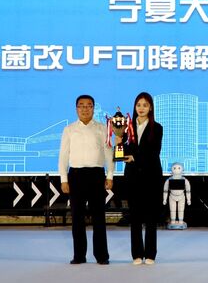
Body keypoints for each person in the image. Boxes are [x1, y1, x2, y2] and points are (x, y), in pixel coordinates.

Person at [58, 95, 114, 265]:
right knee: (77, 218)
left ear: (93, 108)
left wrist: (110, 175)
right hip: (76, 176)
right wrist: (64, 179)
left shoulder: (102, 128)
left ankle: (102, 256)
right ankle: (79, 255)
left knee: (99, 217)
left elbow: (109, 153)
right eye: (81, 106)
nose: (85, 109)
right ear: (76, 108)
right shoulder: (69, 129)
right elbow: (63, 155)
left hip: (96, 175)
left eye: (88, 105)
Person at [119, 91, 163, 265]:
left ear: (150, 107)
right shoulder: (127, 127)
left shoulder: (157, 128)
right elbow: (122, 150)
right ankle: (137, 254)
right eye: (138, 105)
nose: (141, 108)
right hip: (133, 177)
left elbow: (154, 152)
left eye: (145, 105)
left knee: (151, 217)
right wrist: (118, 141)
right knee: (135, 217)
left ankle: (150, 254)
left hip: (151, 176)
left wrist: (135, 158)